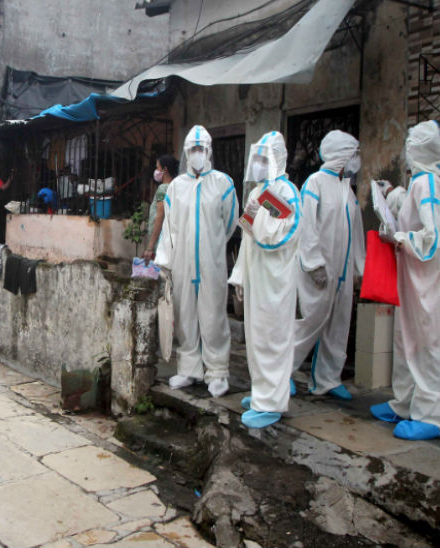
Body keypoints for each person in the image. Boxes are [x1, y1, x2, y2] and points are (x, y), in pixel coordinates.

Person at [154, 125, 238, 397]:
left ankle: (217, 371)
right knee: (185, 314)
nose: (197, 154)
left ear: (209, 151)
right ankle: (188, 368)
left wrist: (212, 244)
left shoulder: (223, 183)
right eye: (193, 149)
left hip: (212, 262)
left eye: (201, 149)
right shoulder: (176, 187)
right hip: (183, 262)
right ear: (186, 152)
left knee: (214, 315)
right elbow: (170, 227)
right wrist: (166, 261)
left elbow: (230, 222)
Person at [370, 120, 440, 440]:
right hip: (412, 278)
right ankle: (404, 403)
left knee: (426, 343)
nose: (406, 151)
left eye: (410, 145)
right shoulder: (421, 182)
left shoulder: (428, 183)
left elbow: (432, 238)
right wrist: (392, 195)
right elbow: (412, 211)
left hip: (426, 282)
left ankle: (431, 415)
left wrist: (397, 237)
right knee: (406, 340)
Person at [228, 131, 301, 429]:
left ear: (276, 159)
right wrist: (240, 276)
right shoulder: (258, 192)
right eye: (255, 158)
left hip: (276, 280)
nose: (257, 163)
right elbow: (247, 235)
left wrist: (259, 216)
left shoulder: (286, 191)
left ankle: (272, 403)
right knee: (257, 338)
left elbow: (282, 233)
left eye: (263, 158)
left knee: (273, 338)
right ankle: (262, 393)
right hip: (257, 276)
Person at [292, 130, 365, 400]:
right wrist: (314, 264)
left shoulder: (347, 189)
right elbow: (306, 226)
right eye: (353, 154)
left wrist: (358, 269)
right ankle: (282, 372)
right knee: (310, 322)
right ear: (341, 154)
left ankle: (328, 379)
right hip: (319, 271)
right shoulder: (315, 183)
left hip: (342, 272)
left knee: (338, 325)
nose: (356, 159)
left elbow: (356, 233)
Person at [143, 154, 179, 264]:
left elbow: (159, 217)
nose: (156, 171)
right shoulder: (177, 187)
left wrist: (150, 247)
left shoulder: (163, 189)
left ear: (165, 169)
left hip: (162, 241)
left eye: (158, 168)